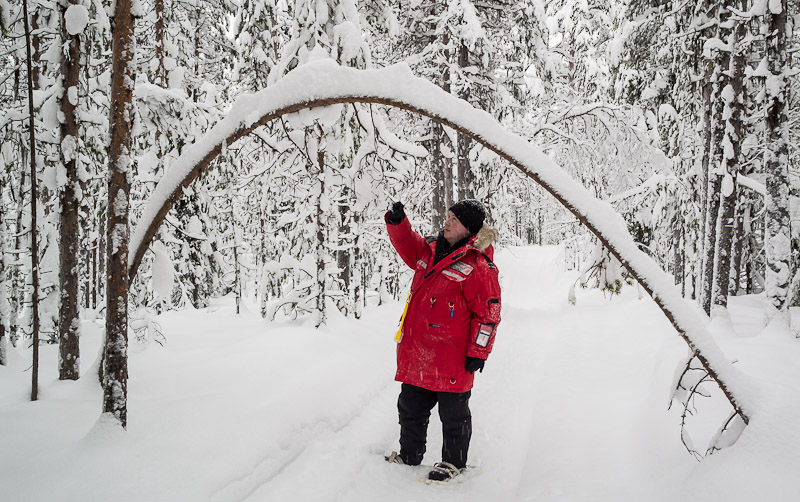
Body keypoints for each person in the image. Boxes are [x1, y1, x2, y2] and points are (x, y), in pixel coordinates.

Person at [383, 199, 502, 482]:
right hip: (418, 351)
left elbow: (488, 313)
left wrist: (479, 351)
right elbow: (408, 246)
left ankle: (453, 463)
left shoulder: (478, 265)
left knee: (453, 414)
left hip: (452, 356)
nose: (446, 222)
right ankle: (410, 454)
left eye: (454, 220)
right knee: (410, 407)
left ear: (468, 229)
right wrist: (399, 223)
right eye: (448, 216)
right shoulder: (430, 249)